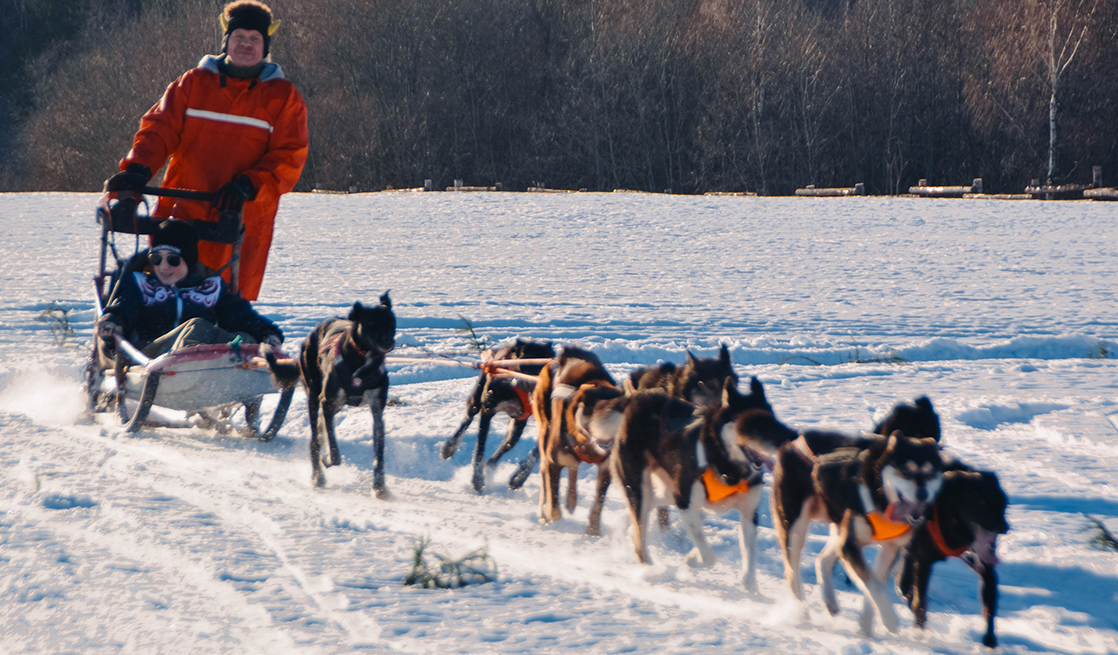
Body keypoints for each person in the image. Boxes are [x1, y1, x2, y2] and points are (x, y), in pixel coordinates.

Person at [105, 0, 308, 301]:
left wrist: (249, 184)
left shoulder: (283, 97)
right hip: (183, 208)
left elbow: (289, 156)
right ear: (226, 40)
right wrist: (138, 169)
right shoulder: (193, 84)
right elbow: (159, 130)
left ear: (265, 46)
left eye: (255, 39)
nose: (246, 44)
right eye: (239, 36)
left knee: (226, 298)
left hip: (239, 214)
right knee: (166, 282)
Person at [97, 219, 284, 363]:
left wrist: (266, 332)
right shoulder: (140, 284)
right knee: (197, 327)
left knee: (246, 339)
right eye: (156, 259)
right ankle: (196, 360)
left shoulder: (211, 288)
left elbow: (241, 315)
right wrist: (114, 321)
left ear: (189, 260)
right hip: (149, 354)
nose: (163, 267)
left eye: (173, 260)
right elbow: (124, 306)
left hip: (202, 360)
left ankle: (237, 363)